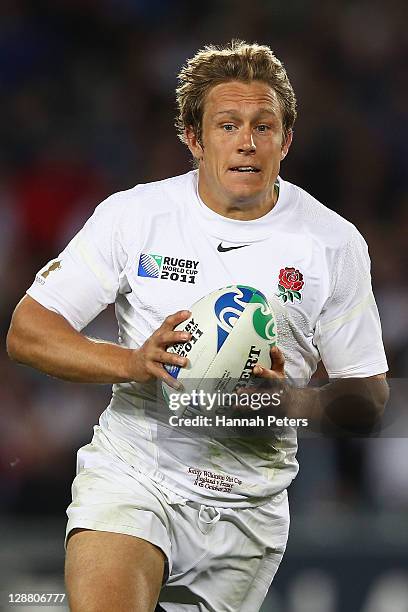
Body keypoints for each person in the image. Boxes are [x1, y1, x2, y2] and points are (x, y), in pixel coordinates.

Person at [7, 40, 388, 612]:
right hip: (137, 474)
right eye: (228, 124)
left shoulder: (332, 244)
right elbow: (27, 332)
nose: (247, 141)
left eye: (264, 126)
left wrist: (293, 405)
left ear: (286, 141)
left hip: (246, 509)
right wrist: (132, 362)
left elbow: (370, 399)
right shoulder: (136, 217)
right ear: (193, 138)